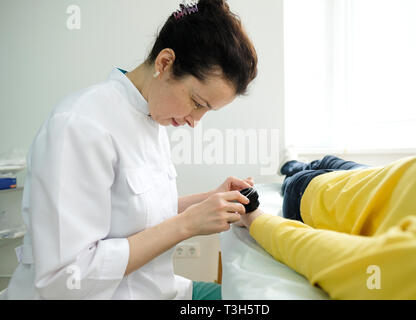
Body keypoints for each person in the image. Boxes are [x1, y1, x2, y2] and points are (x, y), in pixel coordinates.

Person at [4, 0, 258, 300]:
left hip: (162, 290)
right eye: (197, 103)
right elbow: (63, 280)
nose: (195, 122)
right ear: (165, 63)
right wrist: (187, 225)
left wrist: (207, 201)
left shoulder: (152, 116)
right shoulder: (79, 126)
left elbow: (133, 212)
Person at [240, 148, 416, 299]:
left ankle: (291, 169)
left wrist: (254, 218)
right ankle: (294, 165)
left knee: (295, 179)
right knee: (327, 160)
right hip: (374, 175)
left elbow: (316, 252)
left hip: (313, 191)